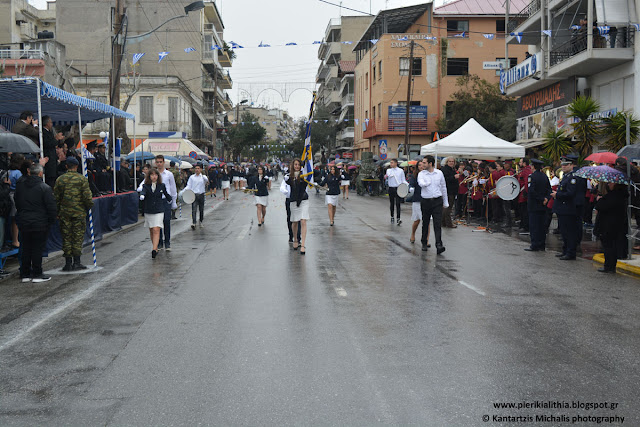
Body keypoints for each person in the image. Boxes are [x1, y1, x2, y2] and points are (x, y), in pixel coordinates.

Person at [15, 163, 57, 282]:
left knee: (26, 247)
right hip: (40, 222)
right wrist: (51, 220)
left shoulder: (21, 186)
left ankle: (25, 273)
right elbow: (51, 207)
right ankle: (37, 273)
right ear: (40, 173)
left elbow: (17, 202)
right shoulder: (45, 188)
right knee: (37, 248)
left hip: (24, 221)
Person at [54, 157, 94, 270]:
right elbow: (87, 197)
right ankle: (76, 262)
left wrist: (57, 211)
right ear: (76, 166)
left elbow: (56, 197)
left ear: (66, 166)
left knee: (66, 237)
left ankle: (67, 263)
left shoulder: (60, 179)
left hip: (64, 213)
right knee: (77, 237)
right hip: (78, 212)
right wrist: (89, 206)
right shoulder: (82, 179)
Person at [551, 155, 580, 260]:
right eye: (562, 164)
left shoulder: (573, 177)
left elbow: (570, 193)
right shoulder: (566, 176)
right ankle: (565, 250)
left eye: (566, 164)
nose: (563, 166)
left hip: (568, 208)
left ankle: (570, 252)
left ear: (571, 165)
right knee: (564, 231)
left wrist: (557, 195)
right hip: (563, 208)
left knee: (569, 232)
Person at [594, 183, 628, 273]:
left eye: (610, 183)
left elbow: (601, 206)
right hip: (614, 224)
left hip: (609, 225)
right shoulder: (620, 196)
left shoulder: (614, 196)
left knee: (608, 246)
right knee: (611, 245)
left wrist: (600, 200)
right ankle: (610, 265)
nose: (608, 185)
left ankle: (609, 266)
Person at [417, 156, 448, 254]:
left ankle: (439, 244)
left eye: (425, 163)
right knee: (425, 222)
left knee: (437, 223)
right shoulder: (421, 174)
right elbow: (420, 183)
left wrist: (445, 201)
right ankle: (424, 242)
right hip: (426, 201)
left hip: (437, 201)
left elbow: (443, 187)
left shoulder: (439, 173)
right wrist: (425, 183)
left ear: (430, 163)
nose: (423, 164)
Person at [140, 169, 172, 259]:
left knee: (156, 229)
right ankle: (156, 246)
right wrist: (142, 195)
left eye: (156, 175)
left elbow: (166, 194)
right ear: (149, 176)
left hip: (159, 209)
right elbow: (143, 192)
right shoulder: (145, 186)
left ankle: (154, 249)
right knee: (151, 230)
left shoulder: (161, 185)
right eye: (152, 175)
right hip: (149, 210)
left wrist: (171, 200)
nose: (154, 176)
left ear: (158, 176)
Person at [525, 159, 551, 251]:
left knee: (534, 225)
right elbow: (549, 189)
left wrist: (541, 199)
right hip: (543, 205)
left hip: (534, 205)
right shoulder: (545, 176)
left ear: (533, 166)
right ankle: (542, 244)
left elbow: (531, 191)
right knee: (542, 226)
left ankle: (535, 245)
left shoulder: (531, 177)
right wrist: (546, 198)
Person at [285, 159, 309, 254]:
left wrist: (308, 163)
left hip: (303, 200)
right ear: (292, 165)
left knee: (303, 220)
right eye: (295, 164)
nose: (297, 166)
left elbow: (315, 173)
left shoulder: (304, 175)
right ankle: (295, 239)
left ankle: (302, 245)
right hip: (294, 200)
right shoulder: (288, 176)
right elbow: (286, 181)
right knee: (294, 222)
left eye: (299, 164)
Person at [154, 155, 178, 251]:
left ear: (164, 162)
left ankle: (167, 242)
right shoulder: (154, 174)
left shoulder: (169, 174)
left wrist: (173, 201)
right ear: (155, 163)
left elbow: (173, 188)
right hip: (157, 200)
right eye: (158, 162)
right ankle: (159, 242)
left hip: (166, 200)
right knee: (158, 222)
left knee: (166, 221)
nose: (159, 164)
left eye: (161, 162)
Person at [409, 158, 430, 246]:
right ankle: (413, 234)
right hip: (417, 200)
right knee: (417, 220)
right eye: (420, 165)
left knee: (427, 221)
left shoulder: (429, 175)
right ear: (417, 167)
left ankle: (426, 240)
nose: (422, 166)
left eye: (423, 164)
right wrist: (411, 188)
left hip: (427, 199)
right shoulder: (414, 176)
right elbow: (411, 184)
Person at [41, 115, 64, 187]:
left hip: (53, 158)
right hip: (49, 157)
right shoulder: (43, 132)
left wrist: (58, 139)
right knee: (50, 178)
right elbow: (48, 143)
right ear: (47, 123)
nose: (51, 124)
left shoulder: (50, 132)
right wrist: (56, 139)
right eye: (50, 122)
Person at [185, 163, 208, 230]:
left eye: (198, 168)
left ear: (201, 169)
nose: (197, 170)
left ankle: (201, 221)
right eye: (196, 168)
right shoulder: (192, 177)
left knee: (201, 209)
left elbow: (206, 181)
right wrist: (185, 191)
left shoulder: (203, 177)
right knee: (194, 209)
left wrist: (204, 176)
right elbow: (189, 185)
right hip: (194, 195)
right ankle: (194, 222)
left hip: (201, 194)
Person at [385, 159, 407, 225]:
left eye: (392, 163)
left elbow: (403, 179)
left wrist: (406, 185)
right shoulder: (389, 170)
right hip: (391, 188)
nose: (391, 164)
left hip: (398, 188)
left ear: (396, 163)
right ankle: (392, 216)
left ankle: (398, 218)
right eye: (390, 163)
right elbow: (389, 175)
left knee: (398, 203)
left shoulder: (400, 171)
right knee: (392, 203)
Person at [441, 157, 458, 228]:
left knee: (446, 207)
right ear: (447, 162)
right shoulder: (445, 170)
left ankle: (444, 222)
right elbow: (445, 179)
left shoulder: (451, 169)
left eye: (452, 161)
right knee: (448, 208)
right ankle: (448, 223)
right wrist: (454, 177)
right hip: (448, 191)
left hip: (452, 191)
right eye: (450, 161)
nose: (451, 163)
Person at [517, 158, 532, 233]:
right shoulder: (523, 170)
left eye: (520, 162)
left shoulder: (526, 171)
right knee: (522, 210)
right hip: (521, 193)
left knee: (524, 211)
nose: (519, 163)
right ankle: (523, 224)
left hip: (523, 193)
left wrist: (526, 192)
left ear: (524, 163)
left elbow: (526, 182)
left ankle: (526, 227)